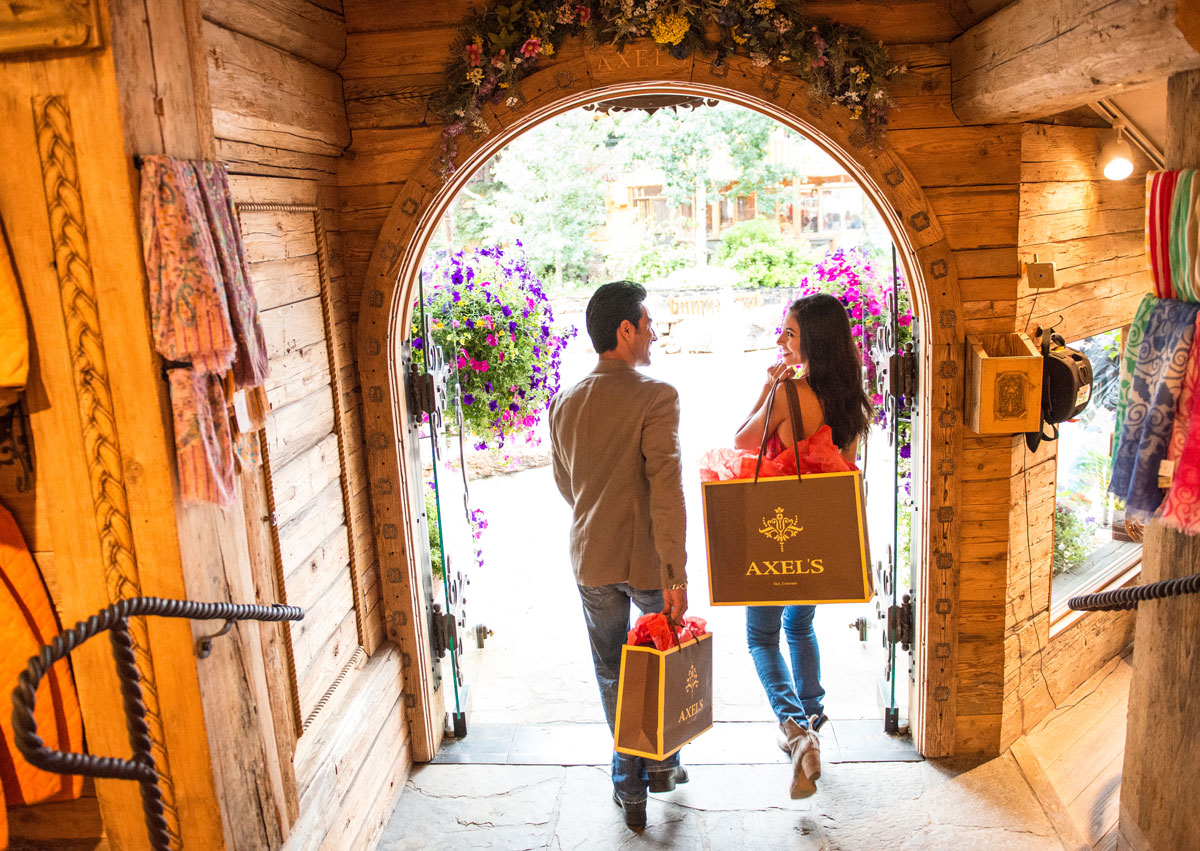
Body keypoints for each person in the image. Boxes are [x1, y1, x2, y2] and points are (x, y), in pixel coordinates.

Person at [548, 281, 689, 830]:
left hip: (590, 558)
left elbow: (568, 484)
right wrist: (676, 572)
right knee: (655, 669)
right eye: (648, 323)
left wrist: (600, 516)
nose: (654, 333)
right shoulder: (657, 396)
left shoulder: (564, 400)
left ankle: (633, 782)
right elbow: (666, 490)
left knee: (615, 674)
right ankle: (652, 771)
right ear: (625, 330)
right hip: (647, 561)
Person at [731, 292, 873, 799]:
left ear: (811, 339)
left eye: (789, 333)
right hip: (819, 530)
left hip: (778, 528)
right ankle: (813, 714)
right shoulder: (846, 396)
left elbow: (743, 441)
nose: (781, 340)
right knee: (800, 622)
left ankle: (797, 732)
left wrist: (765, 390)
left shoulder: (790, 393)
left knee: (761, 636)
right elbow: (843, 465)